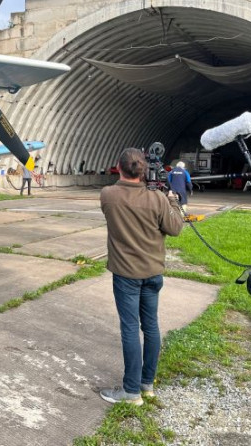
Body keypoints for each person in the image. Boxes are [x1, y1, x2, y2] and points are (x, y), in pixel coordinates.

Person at [99, 148, 184, 405]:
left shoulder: (108, 195)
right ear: (143, 170)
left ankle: (131, 391)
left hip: (126, 274)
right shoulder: (157, 198)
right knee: (151, 326)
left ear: (119, 167)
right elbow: (175, 228)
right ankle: (147, 384)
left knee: (130, 328)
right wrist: (172, 201)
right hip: (153, 272)